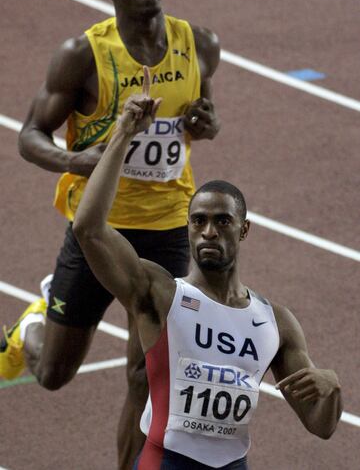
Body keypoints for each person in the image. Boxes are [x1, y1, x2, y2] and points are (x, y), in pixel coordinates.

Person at [0, 0, 220, 469]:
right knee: (53, 374)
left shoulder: (199, 44)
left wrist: (203, 124)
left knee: (146, 377)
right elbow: (30, 135)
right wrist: (79, 161)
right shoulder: (84, 56)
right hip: (99, 228)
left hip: (169, 226)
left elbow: (206, 113)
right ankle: (30, 325)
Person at [72, 70, 342, 469]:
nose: (208, 232)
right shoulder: (160, 293)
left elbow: (320, 426)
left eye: (222, 221)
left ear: (244, 228)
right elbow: (88, 228)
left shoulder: (275, 323)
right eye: (198, 221)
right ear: (188, 228)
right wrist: (124, 134)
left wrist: (332, 389)